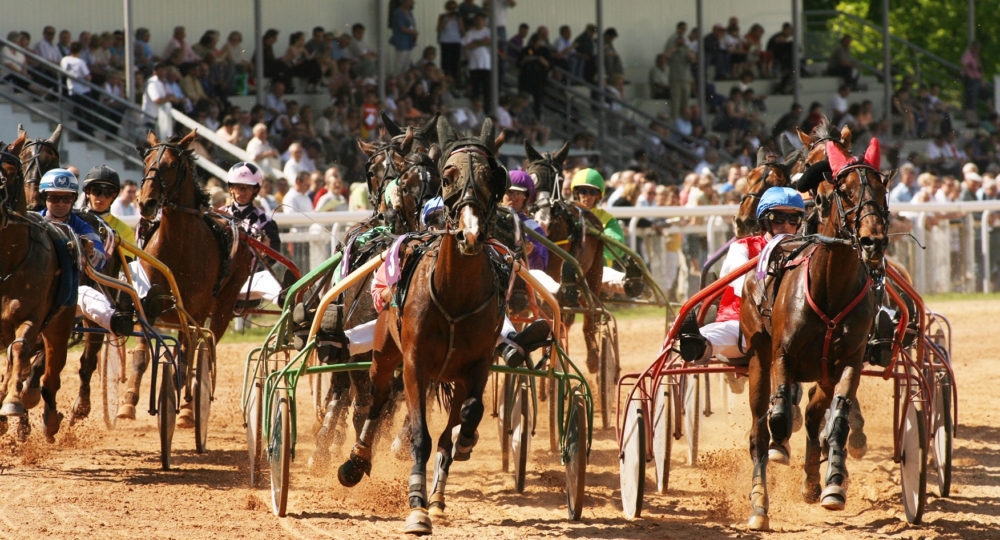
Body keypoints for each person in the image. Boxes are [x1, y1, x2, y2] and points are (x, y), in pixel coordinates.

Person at [39, 168, 132, 336]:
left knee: (88, 295)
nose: (61, 203)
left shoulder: (83, 226)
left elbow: (100, 260)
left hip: (69, 294)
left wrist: (90, 253)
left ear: (74, 198)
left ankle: (116, 322)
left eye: (66, 198)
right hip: (37, 292)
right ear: (44, 197)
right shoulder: (33, 222)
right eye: (54, 197)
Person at [569, 168, 629, 293]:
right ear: (576, 193)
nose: (587, 196)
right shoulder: (566, 215)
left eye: (592, 192)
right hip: (569, 270)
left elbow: (615, 249)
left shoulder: (607, 219)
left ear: (598, 195)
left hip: (598, 271)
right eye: (583, 191)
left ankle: (632, 284)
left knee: (619, 281)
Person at [81, 166, 134, 254]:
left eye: (108, 193)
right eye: (97, 191)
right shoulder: (73, 221)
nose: (102, 198)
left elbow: (126, 266)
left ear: (114, 196)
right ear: (87, 192)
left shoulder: (126, 231)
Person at [504, 171, 549, 271]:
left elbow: (540, 270)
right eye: (510, 192)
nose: (514, 198)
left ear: (526, 199)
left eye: (519, 193)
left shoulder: (535, 229)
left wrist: (532, 253)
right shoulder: (488, 221)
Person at [463, 13, 492, 106]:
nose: (479, 21)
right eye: (477, 19)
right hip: (474, 64)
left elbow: (490, 42)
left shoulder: (488, 31)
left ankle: (487, 109)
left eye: (481, 19)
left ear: (484, 21)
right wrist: (483, 42)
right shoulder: (470, 32)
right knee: (475, 89)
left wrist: (476, 42)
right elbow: (467, 45)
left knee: (487, 89)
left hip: (486, 64)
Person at [437, 1, 465, 80]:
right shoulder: (442, 16)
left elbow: (462, 30)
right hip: (445, 41)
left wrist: (459, 20)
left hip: (456, 41)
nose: (452, 10)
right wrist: (447, 19)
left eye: (454, 8)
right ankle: (446, 79)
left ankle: (454, 80)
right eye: (450, 8)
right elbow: (439, 29)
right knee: (446, 63)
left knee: (455, 63)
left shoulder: (458, 17)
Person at [390, 0, 419, 75]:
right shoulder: (398, 12)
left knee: (407, 63)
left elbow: (412, 24)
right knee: (400, 62)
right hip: (401, 40)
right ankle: (395, 78)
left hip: (409, 40)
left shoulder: (410, 12)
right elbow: (401, 27)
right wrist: (413, 32)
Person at [961, 41, 984, 125]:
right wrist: (970, 74)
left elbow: (979, 68)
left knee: (976, 97)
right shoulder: (968, 55)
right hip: (970, 80)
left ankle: (973, 118)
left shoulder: (975, 56)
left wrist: (981, 79)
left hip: (976, 79)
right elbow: (964, 63)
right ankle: (969, 119)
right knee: (970, 99)